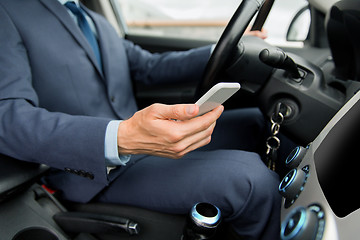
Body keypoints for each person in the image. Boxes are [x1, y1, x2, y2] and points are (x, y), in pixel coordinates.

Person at [0, 0, 281, 239]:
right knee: (252, 180)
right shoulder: (9, 11)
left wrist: (224, 48)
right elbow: (7, 117)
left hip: (142, 145)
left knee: (257, 122)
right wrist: (120, 137)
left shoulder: (95, 20)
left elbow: (148, 68)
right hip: (91, 172)